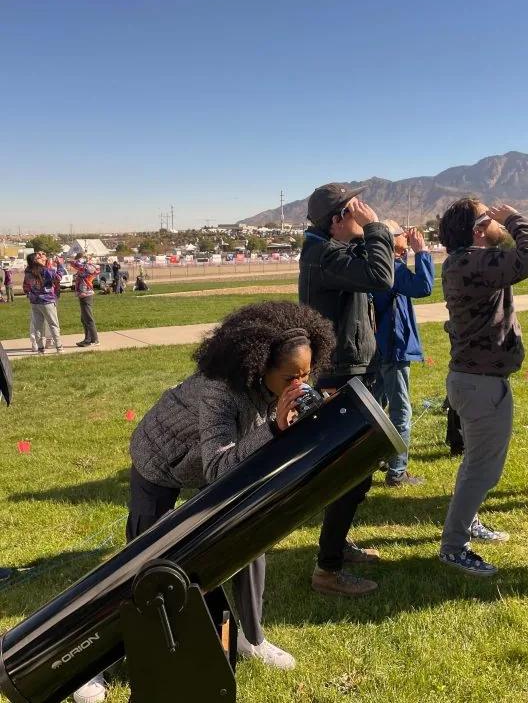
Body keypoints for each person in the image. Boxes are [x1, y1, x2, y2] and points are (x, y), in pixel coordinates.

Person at [73, 301, 336, 703]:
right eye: (291, 377)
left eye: (306, 374)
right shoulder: (220, 391)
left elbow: (248, 453)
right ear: (258, 367)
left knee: (250, 539)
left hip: (215, 459)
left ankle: (252, 637)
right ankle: (92, 668)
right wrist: (273, 426)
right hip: (161, 459)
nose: (300, 384)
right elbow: (217, 467)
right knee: (143, 565)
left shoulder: (281, 387)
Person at [437, 198, 528, 576]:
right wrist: (515, 218)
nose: (496, 221)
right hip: (480, 384)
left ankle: (467, 522)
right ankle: (454, 546)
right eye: (488, 218)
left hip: (476, 380)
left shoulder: (467, 261)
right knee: (484, 470)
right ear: (477, 230)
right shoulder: (472, 261)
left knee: (477, 464)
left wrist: (499, 225)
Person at [298, 182, 394, 596]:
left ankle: (337, 546)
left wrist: (371, 237)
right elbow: (381, 276)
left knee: (356, 472)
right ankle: (328, 570)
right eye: (358, 210)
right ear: (338, 221)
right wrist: (377, 230)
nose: (367, 212)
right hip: (343, 375)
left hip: (350, 369)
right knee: (349, 472)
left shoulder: (328, 250)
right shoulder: (324, 255)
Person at [372, 221, 434, 486]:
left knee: (375, 407)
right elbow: (422, 287)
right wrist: (422, 252)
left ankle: (375, 458)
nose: (406, 237)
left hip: (379, 347)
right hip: (394, 348)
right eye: (400, 234)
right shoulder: (393, 269)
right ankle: (397, 472)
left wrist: (403, 251)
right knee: (401, 412)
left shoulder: (378, 265)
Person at [22, 252, 64, 354]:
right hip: (47, 301)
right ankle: (59, 347)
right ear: (35, 261)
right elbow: (58, 278)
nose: (42, 258)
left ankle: (40, 349)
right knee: (53, 324)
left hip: (34, 302)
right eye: (39, 257)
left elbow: (25, 288)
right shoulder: (45, 271)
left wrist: (31, 293)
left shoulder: (28, 272)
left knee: (38, 327)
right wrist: (60, 265)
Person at [70, 253, 101, 347]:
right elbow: (76, 264)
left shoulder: (88, 268)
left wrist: (83, 258)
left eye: (80, 259)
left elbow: (74, 263)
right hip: (83, 294)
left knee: (88, 318)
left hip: (86, 295)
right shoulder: (85, 267)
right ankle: (87, 339)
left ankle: (95, 340)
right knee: (84, 319)